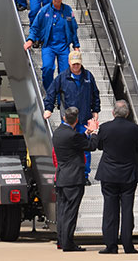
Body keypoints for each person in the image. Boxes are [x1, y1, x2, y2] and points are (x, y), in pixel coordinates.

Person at [44, 50, 101, 183]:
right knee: (67, 149)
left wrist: (95, 109)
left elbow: (95, 93)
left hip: (84, 117)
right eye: (74, 64)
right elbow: (51, 93)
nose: (76, 66)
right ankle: (67, 175)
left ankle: (84, 176)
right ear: (69, 63)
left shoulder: (88, 76)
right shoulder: (62, 77)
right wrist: (48, 108)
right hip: (70, 121)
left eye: (78, 64)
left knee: (85, 149)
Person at [95, 100, 138, 255]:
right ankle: (128, 245)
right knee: (127, 210)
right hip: (128, 174)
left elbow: (100, 146)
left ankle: (111, 245)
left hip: (109, 173)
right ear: (127, 113)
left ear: (113, 112)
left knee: (110, 210)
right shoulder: (135, 129)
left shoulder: (105, 127)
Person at [53, 106, 99, 252]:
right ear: (77, 120)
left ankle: (61, 240)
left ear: (64, 118)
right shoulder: (73, 135)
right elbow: (91, 146)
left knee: (62, 211)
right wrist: (95, 131)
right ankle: (68, 243)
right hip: (73, 179)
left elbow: (76, 143)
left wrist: (86, 133)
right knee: (71, 212)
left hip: (62, 177)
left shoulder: (58, 133)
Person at [24, 0, 80, 90]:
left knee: (64, 73)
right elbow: (35, 27)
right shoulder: (44, 11)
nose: (57, 0)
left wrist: (76, 46)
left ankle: (61, 99)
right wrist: (30, 40)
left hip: (63, 47)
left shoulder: (68, 10)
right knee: (47, 68)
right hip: (48, 46)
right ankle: (50, 93)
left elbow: (73, 28)